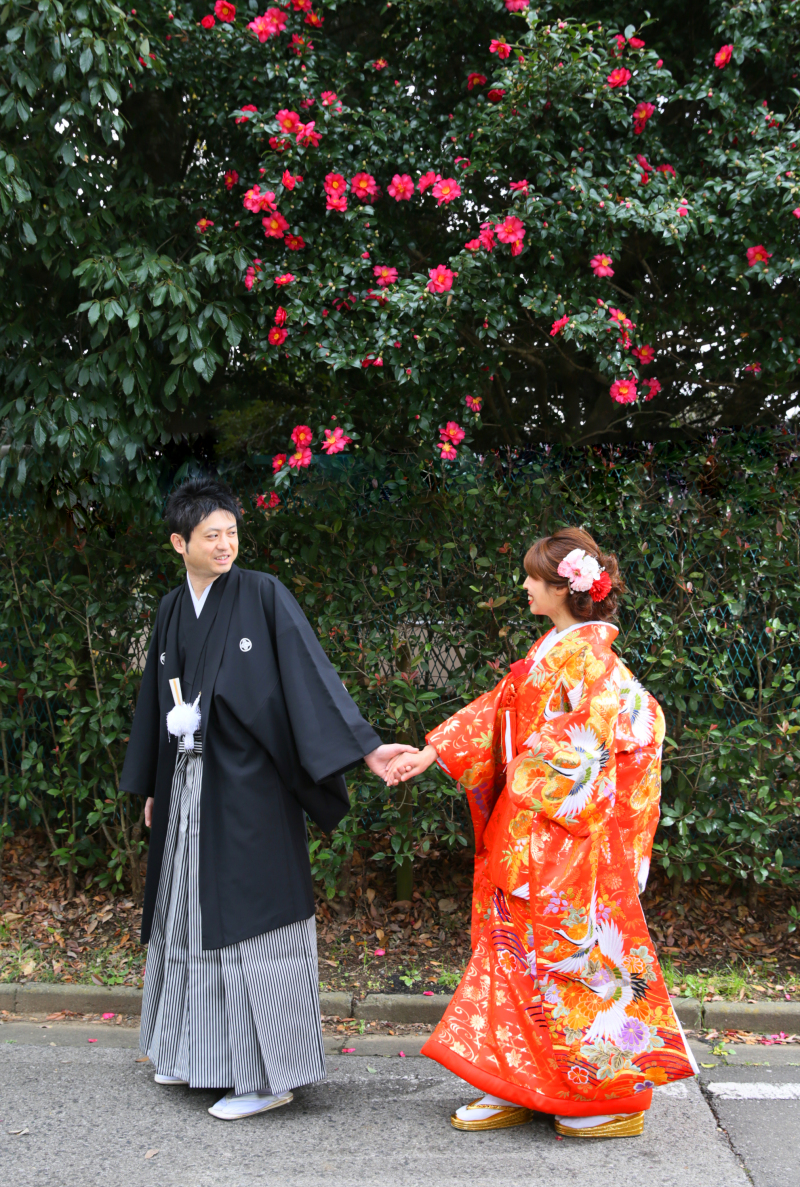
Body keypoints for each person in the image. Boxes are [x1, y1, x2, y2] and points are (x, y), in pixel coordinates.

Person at [386, 527, 697, 1138]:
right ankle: (519, 1085)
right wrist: (433, 751)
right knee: (511, 956)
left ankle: (609, 1097)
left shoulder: (592, 658)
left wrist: (533, 775)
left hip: (566, 839)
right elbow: (499, 706)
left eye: (533, 577)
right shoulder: (554, 648)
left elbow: (624, 735)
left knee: (573, 965)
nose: (524, 585)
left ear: (563, 588)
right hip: (529, 831)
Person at [121, 477, 415, 1121]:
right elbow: (153, 700)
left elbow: (312, 677)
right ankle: (195, 1054)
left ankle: (267, 1077)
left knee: (254, 924)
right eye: (210, 535)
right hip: (188, 782)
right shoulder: (171, 608)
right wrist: (153, 786)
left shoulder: (262, 593)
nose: (225, 545)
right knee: (186, 915)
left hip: (250, 786)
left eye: (231, 532)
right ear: (179, 543)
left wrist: (367, 749)